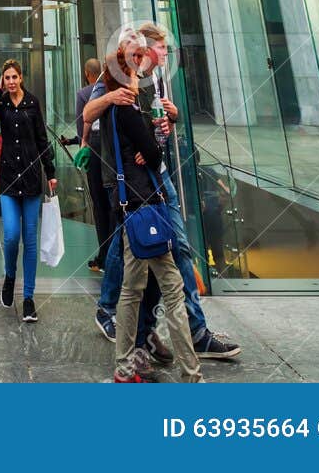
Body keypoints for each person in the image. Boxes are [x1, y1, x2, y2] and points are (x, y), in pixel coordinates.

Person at [83, 25, 239, 365]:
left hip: (155, 176)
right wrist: (113, 104)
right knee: (166, 249)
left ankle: (143, 328)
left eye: (144, 52)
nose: (162, 54)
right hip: (130, 181)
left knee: (145, 250)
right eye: (155, 49)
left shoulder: (152, 82)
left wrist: (170, 119)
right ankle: (186, 333)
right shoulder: (112, 82)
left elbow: (156, 126)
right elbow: (90, 115)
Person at [99, 44, 201, 385]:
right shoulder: (127, 109)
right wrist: (157, 143)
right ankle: (192, 376)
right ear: (124, 73)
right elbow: (153, 155)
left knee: (130, 291)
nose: (140, 72)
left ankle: (124, 369)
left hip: (130, 207)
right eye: (134, 67)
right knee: (173, 289)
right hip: (148, 206)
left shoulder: (112, 111)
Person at [0, 59, 56, 322]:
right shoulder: (1, 101)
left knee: (30, 240)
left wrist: (52, 173)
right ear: (3, 79)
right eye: (7, 77)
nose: (11, 81)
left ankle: (28, 298)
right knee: (12, 236)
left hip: (33, 178)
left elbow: (42, 140)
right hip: (10, 179)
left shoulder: (33, 103)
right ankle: (10, 276)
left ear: (21, 77)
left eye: (14, 77)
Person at [77, 57, 110, 273]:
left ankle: (104, 256)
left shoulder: (84, 94)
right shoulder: (112, 88)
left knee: (100, 206)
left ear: (88, 74)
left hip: (95, 151)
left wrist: (81, 144)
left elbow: (82, 129)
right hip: (112, 151)